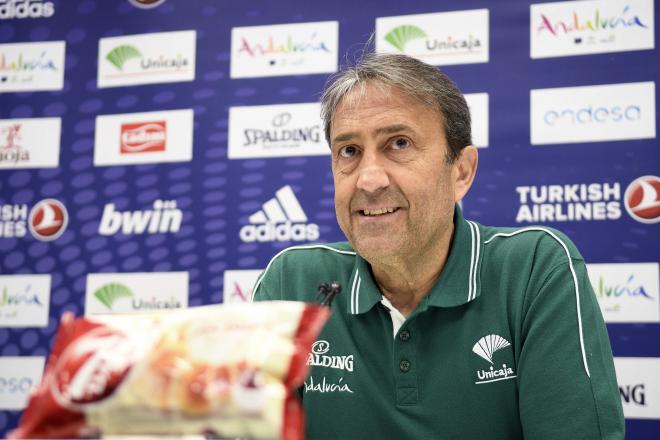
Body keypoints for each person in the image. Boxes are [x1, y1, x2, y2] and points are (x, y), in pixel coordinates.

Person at [251, 53, 624, 439]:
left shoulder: (534, 270)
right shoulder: (291, 283)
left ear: (461, 171)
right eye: (349, 151)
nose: (369, 180)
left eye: (399, 143)